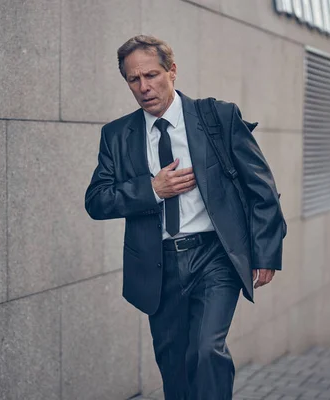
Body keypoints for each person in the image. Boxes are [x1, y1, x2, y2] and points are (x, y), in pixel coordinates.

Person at [85, 35, 286, 400]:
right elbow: (96, 201)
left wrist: (266, 251)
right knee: (175, 368)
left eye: (152, 74)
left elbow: (262, 187)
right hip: (158, 265)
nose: (144, 87)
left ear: (172, 71)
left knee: (207, 350)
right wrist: (152, 189)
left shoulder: (217, 117)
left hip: (215, 256)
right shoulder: (116, 135)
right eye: (134, 79)